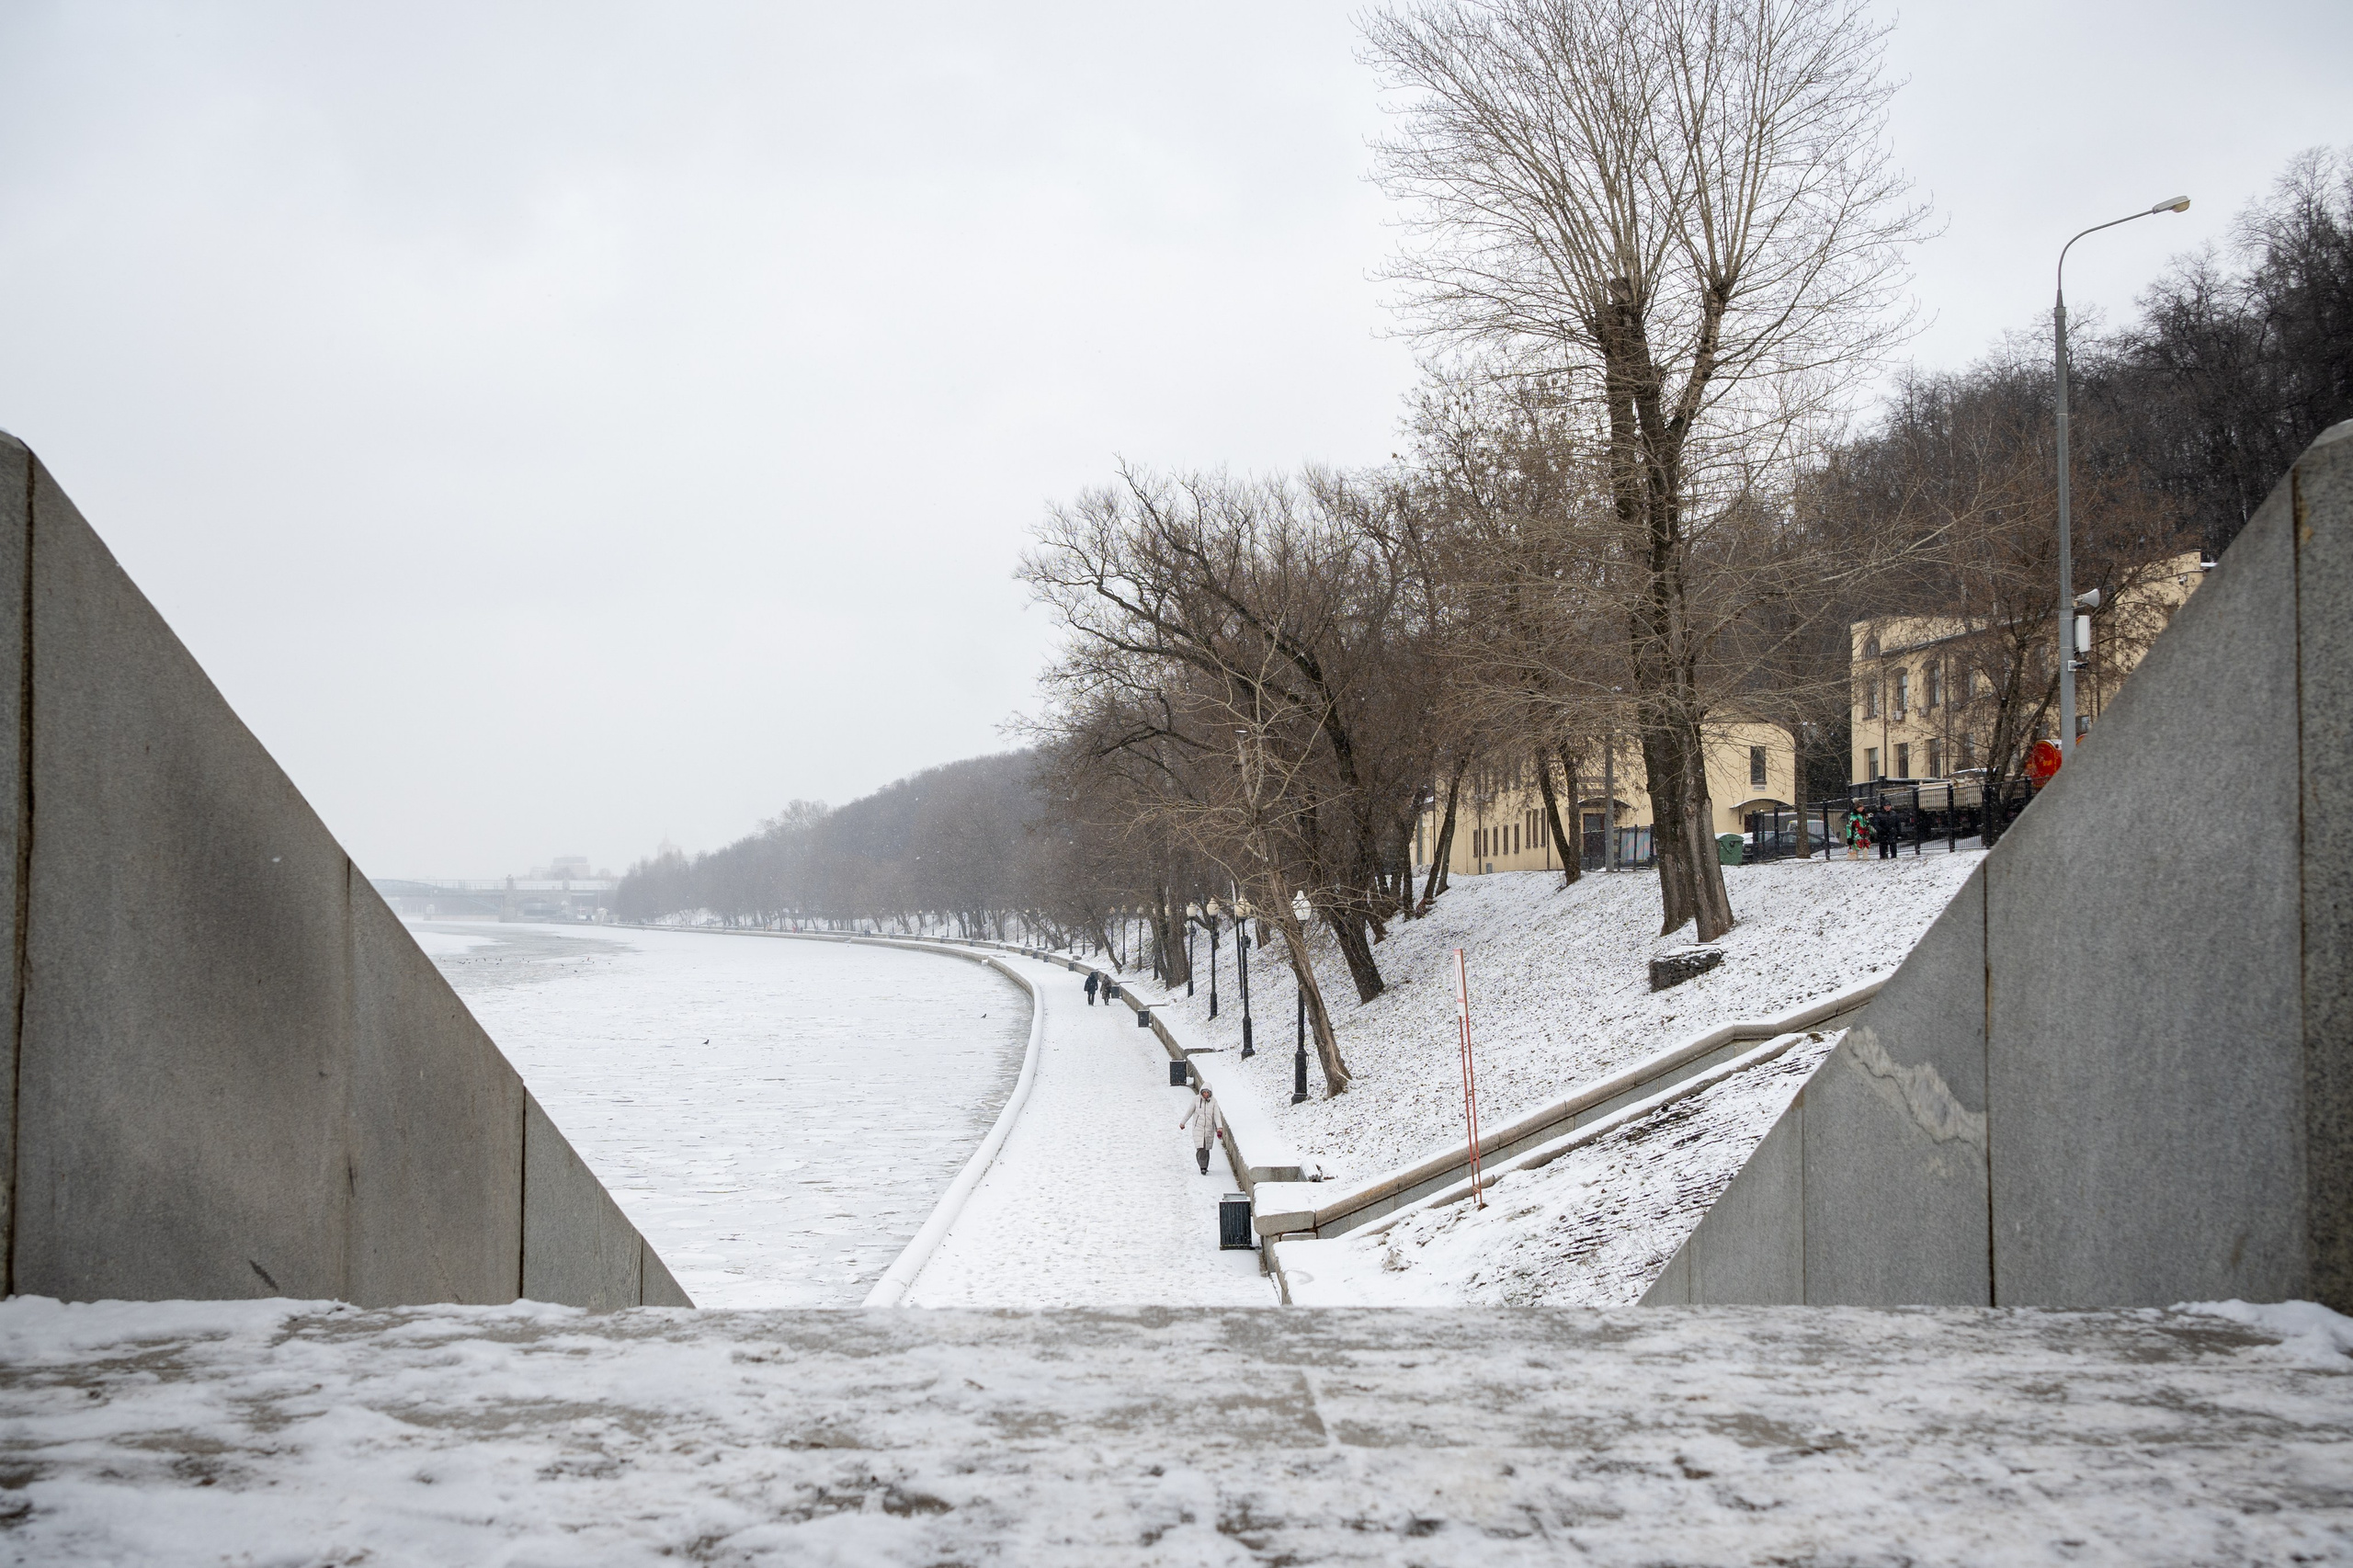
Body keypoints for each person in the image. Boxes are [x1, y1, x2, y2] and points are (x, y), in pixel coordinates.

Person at [1180, 1085, 1218, 1175]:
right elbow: (1189, 1112)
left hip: (1208, 1128)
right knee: (1201, 1148)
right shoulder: (1195, 1100)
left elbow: (1217, 1115)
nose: (1205, 1094)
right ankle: (1203, 1166)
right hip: (1198, 1128)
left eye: (1207, 1093)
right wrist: (1183, 1122)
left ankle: (1205, 1165)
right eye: (1204, 1092)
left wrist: (1219, 1128)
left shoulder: (1213, 1101)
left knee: (1206, 1147)